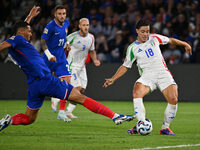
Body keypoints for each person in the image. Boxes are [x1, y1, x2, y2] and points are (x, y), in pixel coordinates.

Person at [0, 6, 135, 132]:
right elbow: (12, 38)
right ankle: (115, 116)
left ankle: (9, 120)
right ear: (21, 32)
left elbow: (21, 28)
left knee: (29, 118)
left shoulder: (18, 42)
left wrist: (29, 17)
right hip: (46, 80)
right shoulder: (17, 39)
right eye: (29, 31)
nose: (31, 34)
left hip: (34, 85)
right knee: (80, 97)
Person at [103, 19, 192, 135]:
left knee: (173, 99)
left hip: (163, 73)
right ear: (137, 31)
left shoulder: (155, 38)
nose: (146, 34)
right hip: (147, 76)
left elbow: (170, 40)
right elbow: (125, 66)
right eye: (143, 31)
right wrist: (113, 78)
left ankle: (165, 128)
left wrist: (185, 44)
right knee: (137, 92)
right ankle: (140, 123)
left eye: (147, 31)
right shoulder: (132, 48)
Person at [40, 5, 72, 122]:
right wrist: (49, 56)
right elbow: (43, 42)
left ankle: (61, 112)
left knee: (67, 81)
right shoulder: (50, 26)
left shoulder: (67, 23)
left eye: (63, 13)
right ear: (55, 14)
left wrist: (67, 43)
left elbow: (65, 35)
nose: (62, 16)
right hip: (48, 58)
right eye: (59, 14)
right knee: (42, 84)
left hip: (61, 58)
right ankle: (53, 98)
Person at [66, 18, 101, 118]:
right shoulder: (73, 36)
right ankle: (57, 99)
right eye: (84, 25)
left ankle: (68, 111)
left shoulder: (91, 38)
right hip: (72, 65)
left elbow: (92, 51)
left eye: (87, 25)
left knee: (82, 90)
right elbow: (64, 42)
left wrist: (95, 60)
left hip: (82, 67)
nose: (86, 27)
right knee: (77, 89)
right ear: (79, 26)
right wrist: (67, 45)